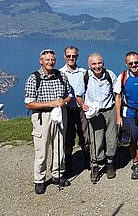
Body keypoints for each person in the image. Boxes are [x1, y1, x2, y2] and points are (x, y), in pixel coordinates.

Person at [24, 49, 72, 194]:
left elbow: (69, 94)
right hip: (42, 117)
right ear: (41, 61)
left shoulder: (61, 76)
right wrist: (51, 103)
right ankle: (39, 179)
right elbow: (28, 103)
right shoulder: (34, 78)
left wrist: (63, 102)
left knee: (59, 145)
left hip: (60, 114)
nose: (50, 62)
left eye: (52, 60)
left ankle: (57, 174)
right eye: (47, 60)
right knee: (42, 149)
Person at [76, 52, 118, 184]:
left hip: (110, 110)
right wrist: (83, 105)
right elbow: (78, 95)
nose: (97, 66)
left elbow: (117, 93)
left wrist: (118, 112)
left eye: (99, 63)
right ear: (89, 65)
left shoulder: (110, 75)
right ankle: (95, 165)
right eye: (94, 64)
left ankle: (109, 163)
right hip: (95, 113)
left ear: (103, 63)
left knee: (112, 138)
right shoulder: (85, 77)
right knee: (96, 140)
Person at [114, 51, 138, 180]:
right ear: (126, 64)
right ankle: (136, 163)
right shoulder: (123, 77)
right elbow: (118, 97)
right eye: (131, 63)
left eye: (136, 62)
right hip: (130, 113)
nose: (134, 65)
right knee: (132, 140)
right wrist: (118, 116)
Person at [59, 46, 90, 176]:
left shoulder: (84, 72)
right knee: (68, 138)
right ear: (64, 57)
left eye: (74, 56)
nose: (71, 58)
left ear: (77, 56)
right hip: (66, 110)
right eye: (69, 56)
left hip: (81, 110)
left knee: (85, 135)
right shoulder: (60, 73)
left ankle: (87, 161)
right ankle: (69, 163)